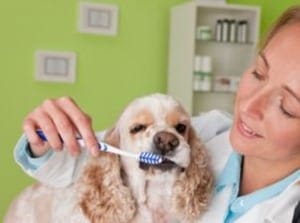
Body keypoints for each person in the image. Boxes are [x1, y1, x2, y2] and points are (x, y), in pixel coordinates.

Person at [9, 5, 300, 223]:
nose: (249, 107)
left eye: (287, 107)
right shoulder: (208, 133)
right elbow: (80, 161)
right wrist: (45, 140)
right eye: (258, 74)